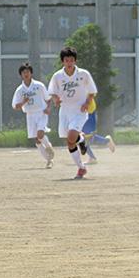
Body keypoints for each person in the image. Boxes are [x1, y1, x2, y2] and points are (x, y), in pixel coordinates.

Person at [48, 47, 97, 179]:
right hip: (64, 111)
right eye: (66, 60)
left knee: (71, 136)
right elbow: (52, 92)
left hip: (79, 110)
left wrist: (87, 102)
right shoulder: (57, 76)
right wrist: (55, 99)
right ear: (62, 61)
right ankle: (81, 168)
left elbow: (92, 91)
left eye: (71, 60)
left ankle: (81, 140)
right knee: (69, 142)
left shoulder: (83, 74)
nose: (69, 63)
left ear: (75, 61)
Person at [12, 62, 55, 168]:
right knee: (37, 140)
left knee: (40, 134)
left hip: (41, 113)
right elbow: (15, 106)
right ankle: (49, 160)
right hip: (30, 115)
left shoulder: (39, 86)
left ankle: (49, 146)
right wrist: (23, 102)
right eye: (23, 72)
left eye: (27, 72)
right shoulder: (20, 90)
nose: (26, 74)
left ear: (31, 73)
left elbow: (48, 99)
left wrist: (48, 108)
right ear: (21, 75)